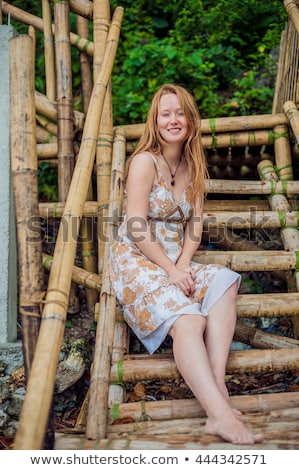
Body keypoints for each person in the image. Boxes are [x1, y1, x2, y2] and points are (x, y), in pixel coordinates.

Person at [109, 83, 263, 445]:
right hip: (137, 259)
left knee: (225, 280)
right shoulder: (145, 161)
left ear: (190, 120)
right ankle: (220, 416)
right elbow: (134, 224)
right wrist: (171, 269)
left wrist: (185, 263)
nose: (173, 119)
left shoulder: (194, 165)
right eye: (166, 113)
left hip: (175, 258)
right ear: (156, 120)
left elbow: (194, 225)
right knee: (191, 319)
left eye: (180, 113)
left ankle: (218, 389)